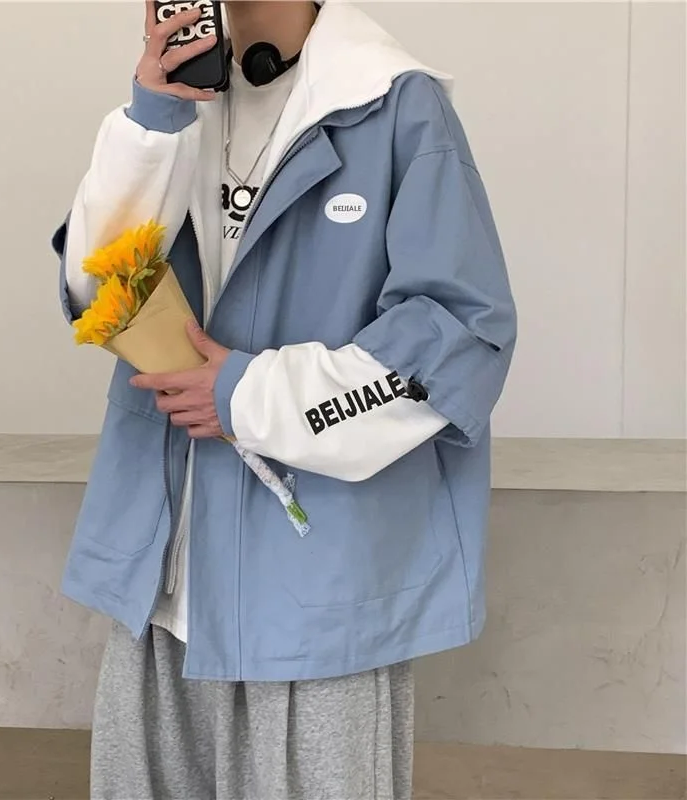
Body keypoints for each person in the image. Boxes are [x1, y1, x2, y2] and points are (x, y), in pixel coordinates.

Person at [52, 0, 516, 796]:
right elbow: (97, 293)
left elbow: (458, 339)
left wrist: (251, 395)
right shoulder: (182, 101)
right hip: (161, 579)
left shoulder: (394, 105)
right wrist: (150, 127)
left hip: (314, 594)